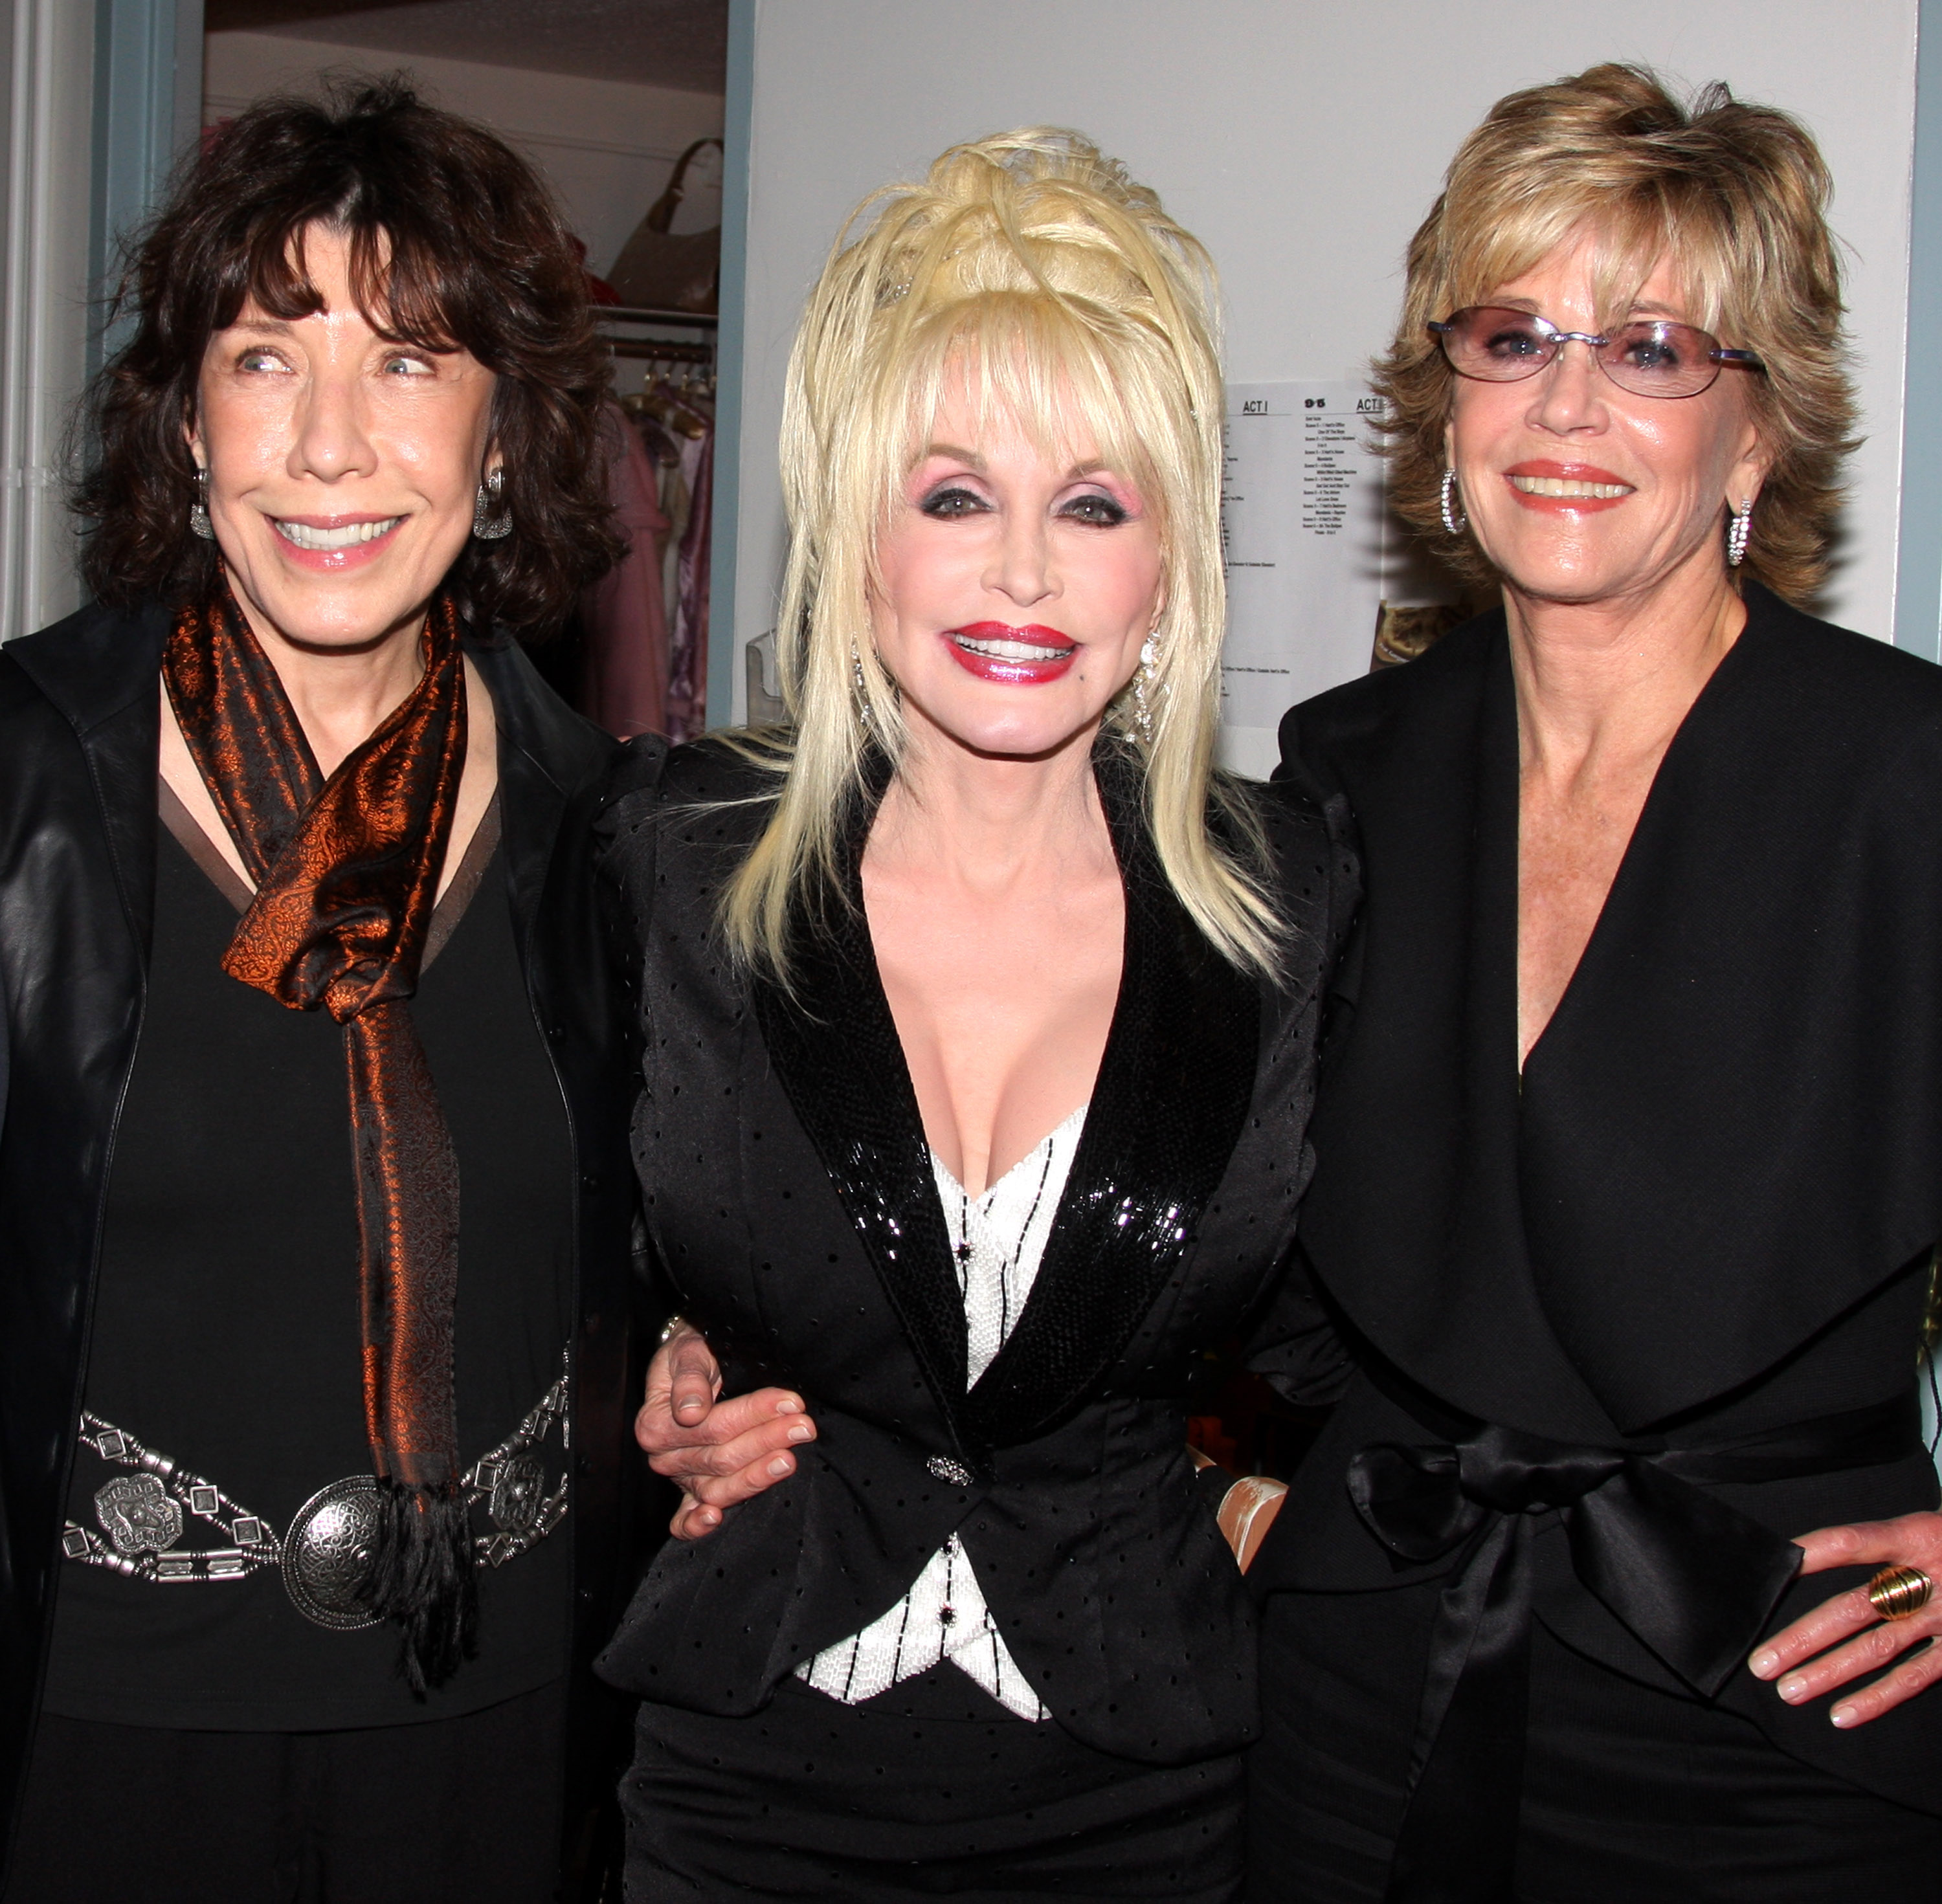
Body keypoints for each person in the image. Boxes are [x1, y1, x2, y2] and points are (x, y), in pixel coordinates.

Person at [592, 129, 1350, 1902]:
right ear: (856, 543)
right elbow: (557, 1237)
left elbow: (1374, 1334)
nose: (1022, 571)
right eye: (952, 496)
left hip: (1138, 1800)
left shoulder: (1295, 904)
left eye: (1093, 504)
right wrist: (650, 1367)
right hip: (744, 1782)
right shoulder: (668, 860)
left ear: (1165, 569)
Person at [1244, 65, 1942, 1901]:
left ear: (1762, 430)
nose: (1565, 407)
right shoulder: (1345, 771)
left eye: (1651, 350)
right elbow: (1223, 1220)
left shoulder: (1906, 777)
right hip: (1358, 1683)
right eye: (1515, 336)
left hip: (1776, 1694)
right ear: (1447, 399)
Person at [0, 81, 648, 1902]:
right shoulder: (26, 789)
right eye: (270, 359)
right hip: (100, 1740)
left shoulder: (619, 839)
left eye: (413, 365)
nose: (335, 447)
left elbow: (663, 1250)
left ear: (504, 443)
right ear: (187, 427)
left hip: (497, 1730)